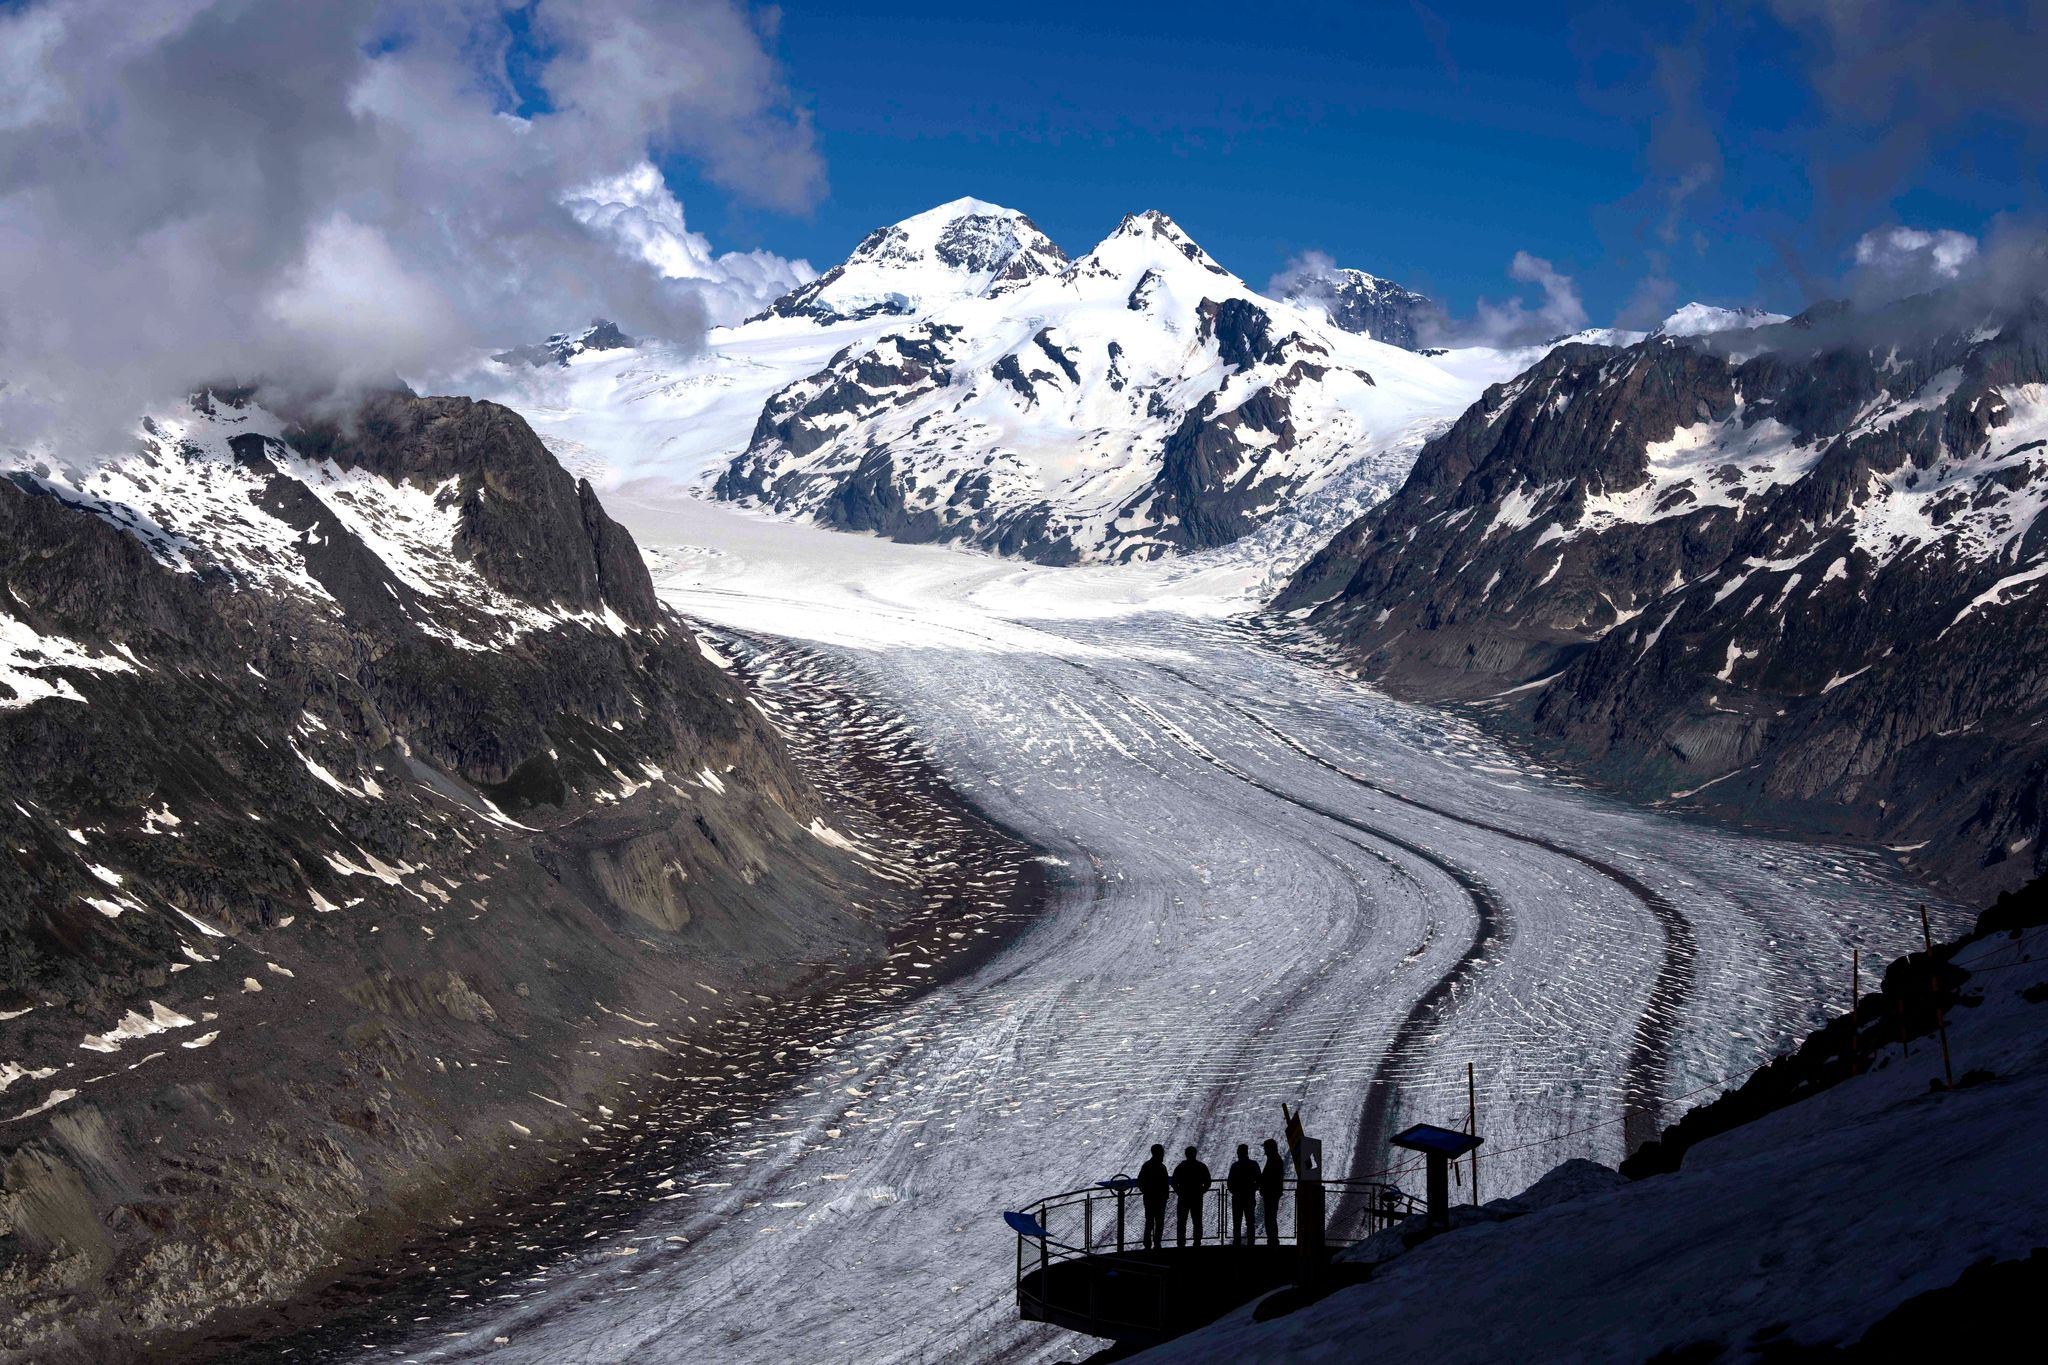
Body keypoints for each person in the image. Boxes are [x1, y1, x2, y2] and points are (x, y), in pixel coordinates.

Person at [1171, 1145, 1213, 1246]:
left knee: (1181, 1222)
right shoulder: (1201, 1166)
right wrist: (1201, 1191)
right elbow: (1208, 1181)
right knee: (1197, 1221)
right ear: (1195, 1154)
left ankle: (1181, 1243)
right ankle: (1197, 1241)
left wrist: (1179, 1191)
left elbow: (1173, 1182)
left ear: (1186, 1155)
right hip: (1196, 1198)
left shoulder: (1181, 1167)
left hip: (1183, 1198)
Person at [1136, 1144, 1170, 1250]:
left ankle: (1147, 1245)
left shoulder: (1147, 1165)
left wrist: (1146, 1192)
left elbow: (1140, 1181)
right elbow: (1165, 1183)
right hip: (1160, 1199)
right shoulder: (1162, 1167)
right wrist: (1165, 1196)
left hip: (1149, 1199)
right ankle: (1157, 1244)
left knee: (1149, 1222)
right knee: (1159, 1223)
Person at [1226, 1143, 1261, 1245]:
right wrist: (1253, 1189)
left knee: (1237, 1222)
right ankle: (1251, 1242)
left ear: (1238, 1153)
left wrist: (1235, 1192)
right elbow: (1259, 1179)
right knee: (1250, 1221)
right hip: (1249, 1196)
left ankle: (1237, 1242)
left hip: (1237, 1198)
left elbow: (1229, 1183)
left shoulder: (1235, 1166)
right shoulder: (1253, 1164)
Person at [1259, 1137, 1287, 1245]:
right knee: (1270, 1218)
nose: (1265, 1151)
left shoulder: (1274, 1160)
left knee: (1270, 1218)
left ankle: (1272, 1240)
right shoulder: (1275, 1159)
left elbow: (1270, 1177)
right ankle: (1272, 1240)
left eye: (1266, 1148)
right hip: (1273, 1193)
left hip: (1271, 1193)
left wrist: (1261, 1181)